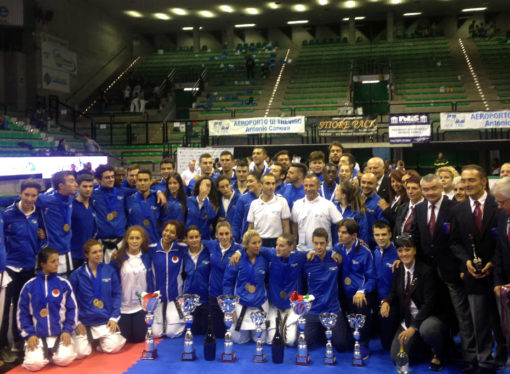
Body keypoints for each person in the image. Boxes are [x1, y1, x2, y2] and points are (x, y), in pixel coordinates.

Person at [413, 174, 476, 371]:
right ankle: (437, 351)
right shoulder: (419, 208)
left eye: (433, 188)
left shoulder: (455, 208)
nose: (430, 193)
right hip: (428, 274)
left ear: (441, 187)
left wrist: (462, 268)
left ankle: (470, 358)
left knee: (462, 316)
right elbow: (417, 237)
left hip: (453, 273)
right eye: (426, 190)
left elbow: (461, 241)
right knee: (432, 311)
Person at [450, 165, 505, 373]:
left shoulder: (498, 206)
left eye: (471, 181)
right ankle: (484, 362)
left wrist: (492, 262)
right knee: (479, 322)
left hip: (499, 274)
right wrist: (466, 262)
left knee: (502, 322)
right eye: (463, 181)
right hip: (473, 276)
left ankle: (504, 355)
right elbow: (454, 242)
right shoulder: (457, 210)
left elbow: (504, 242)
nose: (466, 185)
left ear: (483, 181)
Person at [380, 234, 449, 371]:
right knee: (396, 358)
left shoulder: (427, 271)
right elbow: (393, 290)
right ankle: (424, 347)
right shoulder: (399, 269)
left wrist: (414, 327)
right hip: (407, 319)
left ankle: (440, 352)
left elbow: (429, 304)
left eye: (407, 249)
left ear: (415, 250)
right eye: (400, 251)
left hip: (426, 318)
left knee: (429, 330)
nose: (404, 254)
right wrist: (386, 301)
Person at [0, 180, 45, 361]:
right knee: (4, 311)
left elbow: (43, 239)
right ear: (20, 194)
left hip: (29, 268)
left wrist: (41, 238)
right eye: (26, 194)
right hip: (9, 268)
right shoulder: (8, 214)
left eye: (33, 195)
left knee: (23, 307)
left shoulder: (39, 215)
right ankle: (2, 345)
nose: (29, 199)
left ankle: (19, 340)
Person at [17, 247, 78, 371]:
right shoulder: (29, 286)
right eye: (53, 261)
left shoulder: (64, 284)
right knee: (34, 365)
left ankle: (51, 354)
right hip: (37, 336)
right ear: (42, 264)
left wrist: (67, 330)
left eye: (57, 260)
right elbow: (22, 314)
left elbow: (72, 309)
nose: (57, 264)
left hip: (60, 334)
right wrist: (29, 334)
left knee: (65, 360)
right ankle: (44, 354)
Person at [70, 240, 126, 359]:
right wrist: (77, 322)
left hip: (105, 320)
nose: (99, 254)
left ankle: (100, 343)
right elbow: (71, 301)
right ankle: (87, 340)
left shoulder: (109, 270)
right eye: (94, 252)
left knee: (114, 347)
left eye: (100, 251)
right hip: (85, 321)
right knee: (80, 353)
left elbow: (117, 294)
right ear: (86, 255)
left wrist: (114, 317)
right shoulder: (76, 275)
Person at [303, 228, 352, 352]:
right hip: (313, 309)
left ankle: (325, 332)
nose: (319, 247)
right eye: (316, 243)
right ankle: (321, 332)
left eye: (322, 243)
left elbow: (348, 246)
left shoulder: (336, 259)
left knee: (341, 345)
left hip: (332, 309)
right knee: (304, 344)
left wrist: (334, 252)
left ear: (327, 243)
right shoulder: (306, 260)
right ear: (312, 243)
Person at [335, 219, 375, 359]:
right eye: (339, 232)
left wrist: (361, 291)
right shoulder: (337, 248)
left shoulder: (365, 252)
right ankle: (349, 335)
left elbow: (372, 278)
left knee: (361, 301)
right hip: (343, 294)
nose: (340, 235)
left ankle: (363, 343)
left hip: (358, 294)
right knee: (341, 346)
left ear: (354, 235)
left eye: (344, 233)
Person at [223, 230, 269, 344]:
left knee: (261, 340)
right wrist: (230, 308)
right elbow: (228, 283)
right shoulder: (236, 260)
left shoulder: (265, 258)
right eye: (254, 243)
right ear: (246, 244)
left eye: (259, 242)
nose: (257, 245)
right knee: (239, 340)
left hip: (260, 304)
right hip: (241, 304)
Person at [203, 220, 242, 338]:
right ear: (216, 235)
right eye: (221, 234)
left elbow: (247, 247)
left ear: (231, 234)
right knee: (217, 333)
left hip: (230, 297)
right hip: (214, 295)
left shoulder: (238, 249)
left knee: (231, 333)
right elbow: (194, 242)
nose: (224, 237)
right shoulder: (211, 245)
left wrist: (239, 252)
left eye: (226, 234)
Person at [114, 226, 153, 343]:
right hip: (124, 306)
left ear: (142, 240)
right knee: (124, 338)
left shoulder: (147, 257)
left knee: (139, 338)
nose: (134, 241)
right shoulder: (118, 258)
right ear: (126, 240)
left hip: (140, 307)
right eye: (131, 238)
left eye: (137, 238)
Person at [37, 171, 78, 276]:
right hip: (50, 250)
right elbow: (24, 202)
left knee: (65, 285)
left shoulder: (71, 197)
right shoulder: (46, 200)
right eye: (71, 181)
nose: (76, 184)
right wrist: (37, 228)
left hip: (67, 250)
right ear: (61, 185)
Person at [150, 220, 187, 338]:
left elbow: (198, 244)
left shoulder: (181, 249)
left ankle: (176, 318)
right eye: (166, 230)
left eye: (172, 232)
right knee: (156, 333)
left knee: (172, 333)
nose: (168, 234)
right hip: (157, 298)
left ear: (176, 236)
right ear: (162, 231)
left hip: (175, 298)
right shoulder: (152, 249)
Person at [292, 174, 342, 251]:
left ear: (318, 187)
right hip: (302, 250)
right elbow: (295, 226)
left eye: (311, 186)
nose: (308, 189)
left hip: (324, 251)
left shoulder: (328, 205)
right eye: (306, 185)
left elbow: (341, 224)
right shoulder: (297, 204)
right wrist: (294, 245)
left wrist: (339, 245)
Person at [373, 220, 399, 351]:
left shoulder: (398, 254)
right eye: (377, 235)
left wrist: (387, 301)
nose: (380, 238)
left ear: (390, 234)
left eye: (383, 234)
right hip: (378, 299)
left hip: (393, 301)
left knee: (388, 346)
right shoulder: (375, 252)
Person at [247, 173, 290, 247]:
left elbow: (286, 226)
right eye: (268, 183)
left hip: (277, 241)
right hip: (258, 241)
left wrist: (287, 244)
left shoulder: (282, 201)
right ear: (261, 185)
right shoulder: (254, 204)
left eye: (273, 184)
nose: (271, 187)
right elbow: (251, 227)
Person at [182, 226, 211, 334]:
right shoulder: (183, 254)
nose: (194, 240)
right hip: (189, 300)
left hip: (206, 298)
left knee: (205, 331)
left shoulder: (208, 252)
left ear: (200, 237)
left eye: (196, 237)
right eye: (191, 237)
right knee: (192, 331)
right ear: (186, 239)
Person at [126, 170, 163, 244]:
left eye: (145, 180)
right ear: (136, 182)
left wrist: (158, 192)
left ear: (151, 181)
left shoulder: (158, 199)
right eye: (140, 180)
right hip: (136, 244)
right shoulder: (128, 200)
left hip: (155, 243)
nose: (142, 183)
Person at [71, 174, 97, 270]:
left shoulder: (93, 205)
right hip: (75, 254)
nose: (88, 189)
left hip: (90, 253)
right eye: (85, 186)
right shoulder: (71, 206)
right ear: (78, 187)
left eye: (90, 186)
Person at [334, 180, 370, 245]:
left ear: (343, 195)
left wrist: (362, 245)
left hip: (352, 248)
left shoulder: (358, 212)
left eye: (337, 190)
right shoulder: (333, 207)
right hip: (336, 248)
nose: (335, 192)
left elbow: (363, 232)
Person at [232, 171, 262, 243]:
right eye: (247, 182)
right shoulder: (243, 198)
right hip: (247, 239)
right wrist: (235, 240)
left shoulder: (266, 197)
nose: (248, 184)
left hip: (263, 236)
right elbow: (237, 222)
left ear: (259, 183)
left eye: (251, 181)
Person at [360, 173, 387, 249]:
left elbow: (382, 228)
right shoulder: (356, 200)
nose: (365, 185)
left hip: (373, 246)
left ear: (376, 185)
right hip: (357, 244)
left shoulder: (380, 203)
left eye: (370, 183)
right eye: (363, 182)